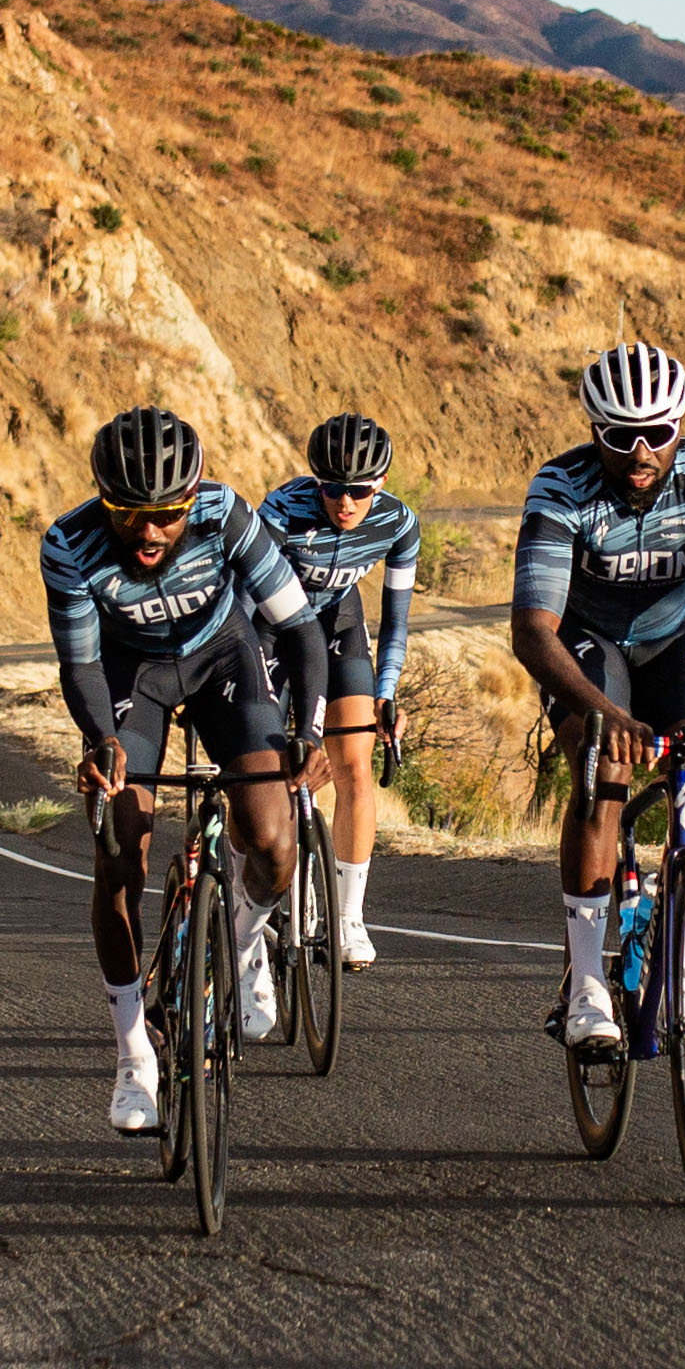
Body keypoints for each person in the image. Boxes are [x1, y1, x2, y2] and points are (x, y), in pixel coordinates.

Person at [506, 342, 685, 1057]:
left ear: (680, 425)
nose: (640, 453)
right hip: (584, 640)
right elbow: (532, 630)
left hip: (672, 636)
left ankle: (679, 953)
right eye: (619, 437)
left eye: (657, 435)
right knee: (604, 769)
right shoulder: (561, 486)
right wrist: (606, 715)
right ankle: (584, 984)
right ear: (593, 430)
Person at [42, 406, 325, 1133]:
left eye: (168, 514)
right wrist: (100, 741)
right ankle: (134, 1055)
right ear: (104, 502)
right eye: (128, 514)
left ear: (191, 500)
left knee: (274, 839)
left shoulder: (225, 515)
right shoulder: (69, 545)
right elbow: (80, 666)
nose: (149, 531)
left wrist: (309, 731)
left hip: (222, 658)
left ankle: (242, 942)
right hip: (130, 674)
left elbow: (297, 626)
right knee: (118, 855)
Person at [258, 412, 423, 971]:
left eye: (359, 491)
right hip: (274, 629)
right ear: (316, 483)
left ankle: (349, 916)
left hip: (339, 625)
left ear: (381, 484)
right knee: (271, 765)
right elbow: (246, 600)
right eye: (332, 489)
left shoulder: (398, 523)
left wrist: (387, 691)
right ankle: (270, 887)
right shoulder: (282, 511)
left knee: (354, 761)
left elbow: (395, 621)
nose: (345, 503)